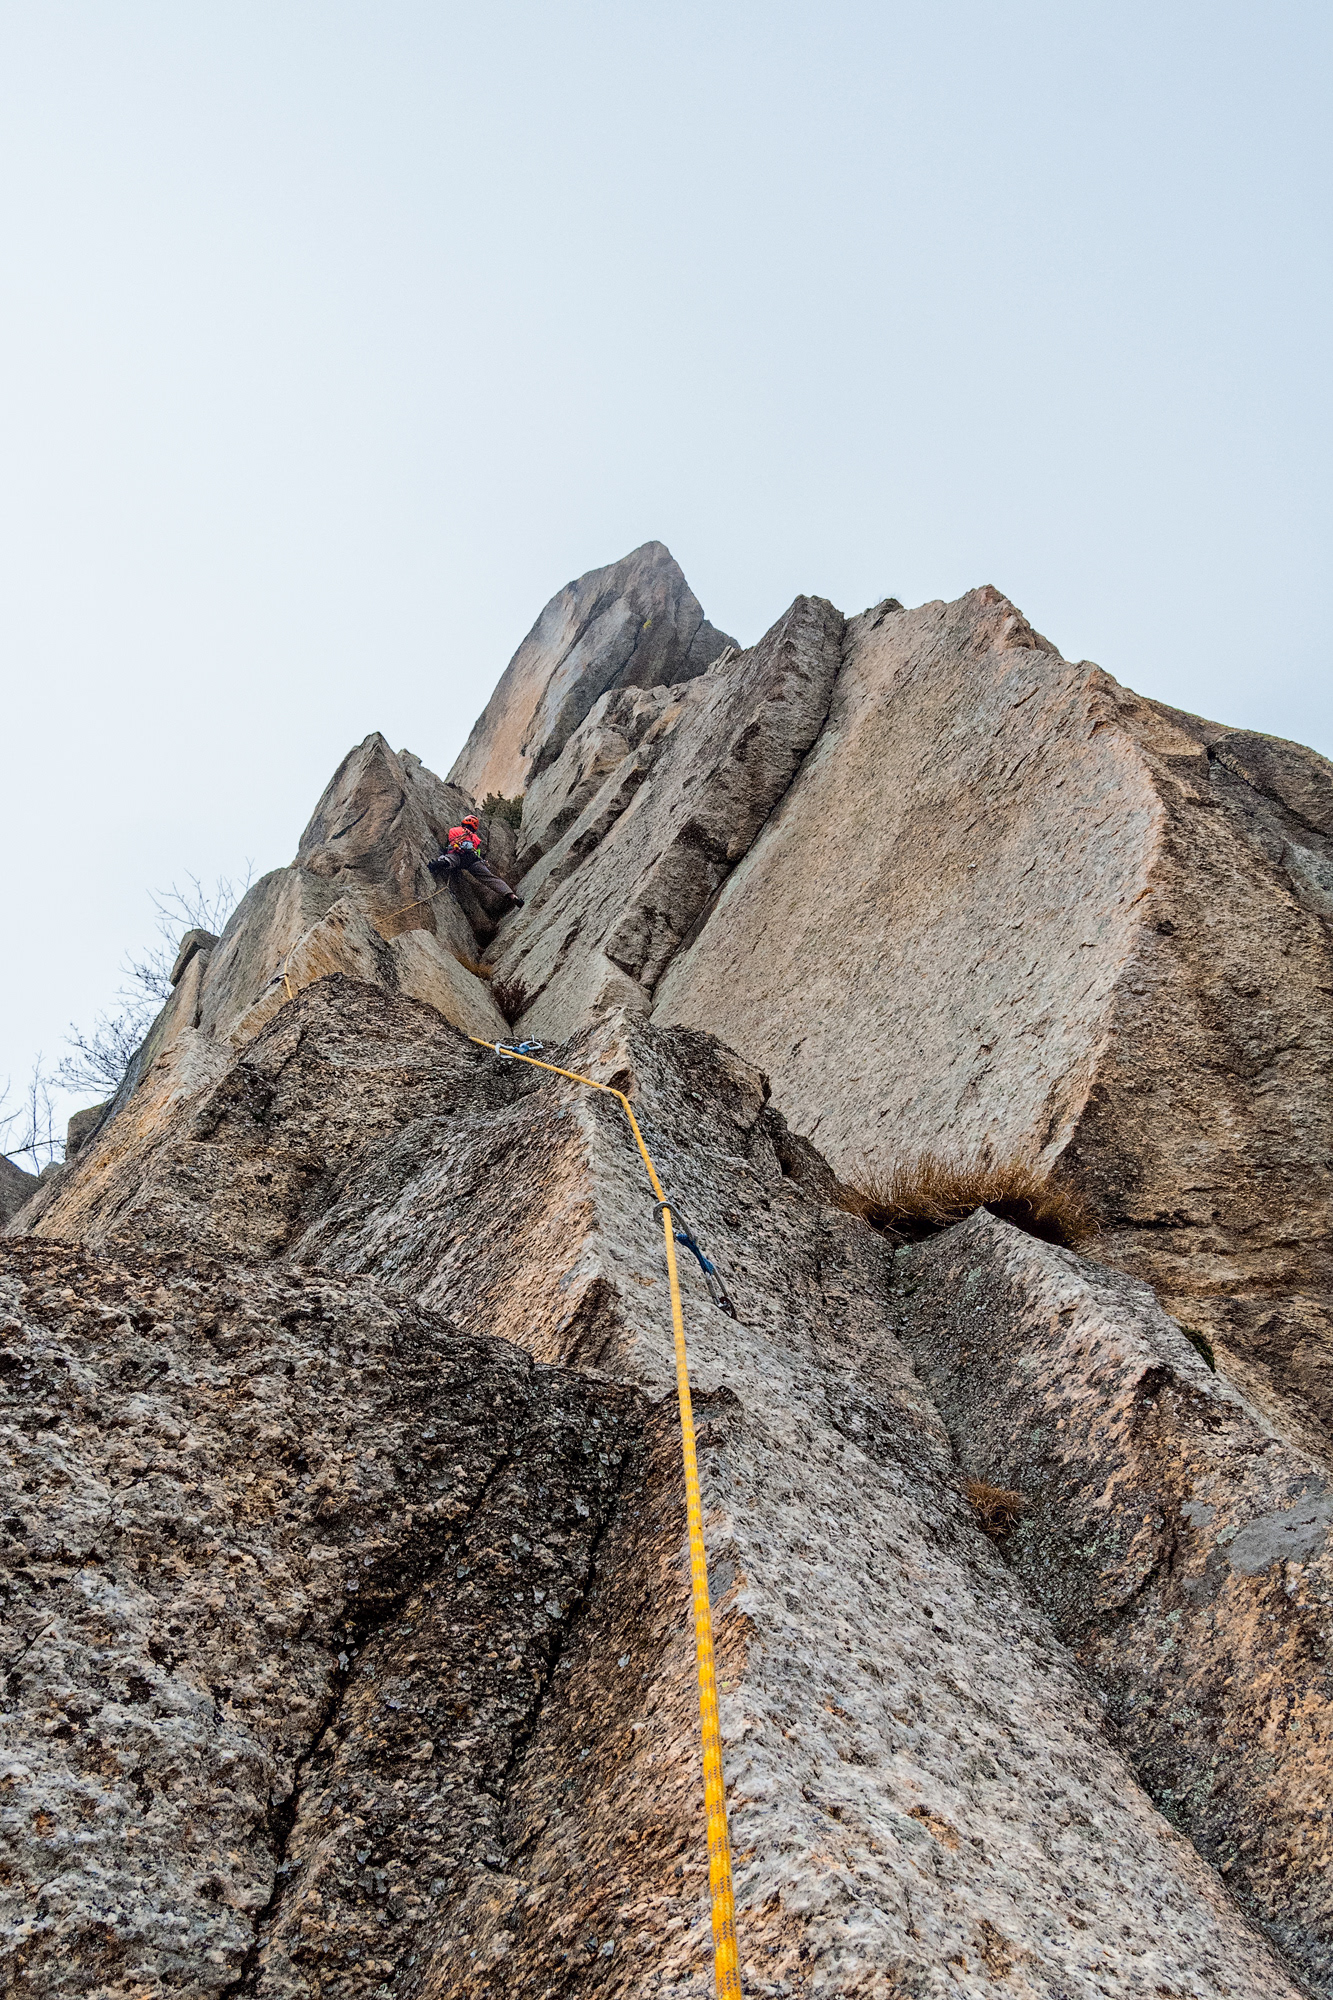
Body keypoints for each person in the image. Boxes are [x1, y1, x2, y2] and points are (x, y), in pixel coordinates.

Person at [428, 815, 524, 907]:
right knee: (490, 878)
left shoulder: (454, 830)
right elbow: (476, 852)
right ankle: (512, 896)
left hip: (457, 855)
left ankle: (439, 863)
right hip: (472, 860)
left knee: (449, 859)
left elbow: (448, 843)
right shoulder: (475, 838)